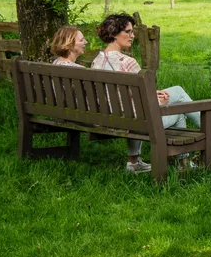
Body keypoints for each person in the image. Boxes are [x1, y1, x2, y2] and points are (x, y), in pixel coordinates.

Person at [91, 14, 211, 164]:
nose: (132, 35)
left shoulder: (97, 61)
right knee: (178, 103)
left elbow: (120, 93)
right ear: (114, 33)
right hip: (135, 121)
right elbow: (143, 98)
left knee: (176, 97)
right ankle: (206, 142)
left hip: (111, 117)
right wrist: (158, 99)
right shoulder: (127, 62)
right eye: (128, 32)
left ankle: (134, 161)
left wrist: (154, 94)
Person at [50, 24, 152, 174]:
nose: (85, 42)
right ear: (70, 44)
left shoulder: (55, 65)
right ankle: (136, 160)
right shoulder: (80, 72)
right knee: (134, 109)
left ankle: (134, 160)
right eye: (81, 39)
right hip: (89, 118)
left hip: (67, 114)